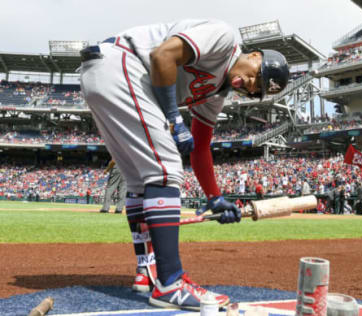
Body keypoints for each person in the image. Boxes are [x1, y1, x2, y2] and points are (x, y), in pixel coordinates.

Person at [79, 19, 289, 310]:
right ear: (255, 56)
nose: (252, 86)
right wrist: (174, 119)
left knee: (142, 182)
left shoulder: (217, 93)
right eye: (258, 77)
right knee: (165, 170)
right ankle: (171, 282)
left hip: (105, 74)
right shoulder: (225, 38)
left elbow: (201, 147)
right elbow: (162, 55)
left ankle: (147, 272)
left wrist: (215, 197)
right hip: (122, 63)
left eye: (257, 90)